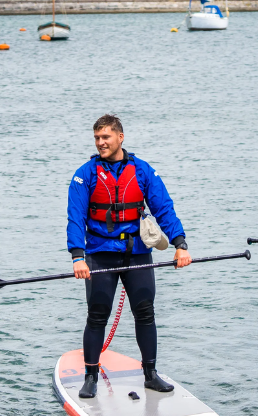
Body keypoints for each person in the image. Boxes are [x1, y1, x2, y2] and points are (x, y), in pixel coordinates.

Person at [67, 114, 192, 399]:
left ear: (120, 137)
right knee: (97, 316)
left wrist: (180, 244)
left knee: (145, 313)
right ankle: (90, 377)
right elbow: (75, 217)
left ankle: (150, 374)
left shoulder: (142, 170)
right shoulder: (84, 174)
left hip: (137, 254)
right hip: (100, 255)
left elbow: (164, 208)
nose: (101, 143)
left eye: (106, 138)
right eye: (97, 138)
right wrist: (77, 256)